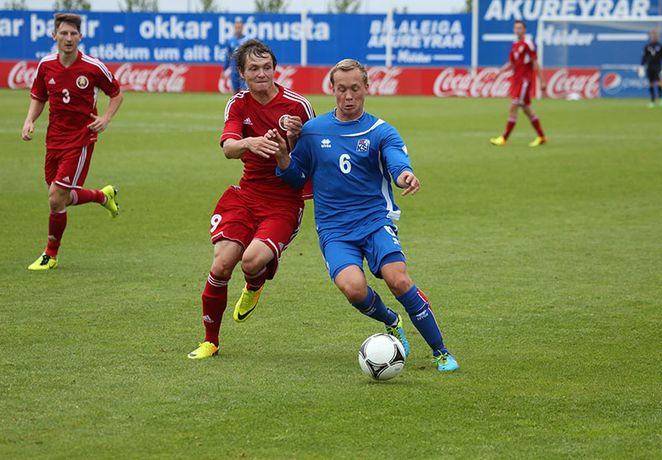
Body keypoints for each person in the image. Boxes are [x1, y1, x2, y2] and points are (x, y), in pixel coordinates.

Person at [273, 59, 459, 372]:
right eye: (341, 89)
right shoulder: (313, 132)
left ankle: (441, 351)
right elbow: (296, 178)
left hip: (374, 221)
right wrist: (283, 157)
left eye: (355, 89)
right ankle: (391, 321)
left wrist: (405, 176)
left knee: (398, 279)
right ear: (332, 89)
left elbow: (396, 160)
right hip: (334, 229)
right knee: (353, 289)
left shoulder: (380, 131)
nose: (348, 96)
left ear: (366, 88)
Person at [188, 39, 315, 359]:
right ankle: (210, 341)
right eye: (254, 68)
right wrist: (251, 143)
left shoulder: (297, 106)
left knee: (252, 261)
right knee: (221, 264)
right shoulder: (238, 104)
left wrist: (295, 138)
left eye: (267, 67)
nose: (261, 73)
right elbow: (229, 147)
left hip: (283, 201)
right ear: (242, 74)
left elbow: (312, 159)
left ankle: (255, 285)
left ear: (275, 69)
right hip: (246, 196)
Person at [22, 12, 122, 271]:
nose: (68, 38)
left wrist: (106, 119)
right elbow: (39, 96)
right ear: (54, 35)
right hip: (54, 139)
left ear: (80, 36)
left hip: (81, 139)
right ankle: (102, 196)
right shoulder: (46, 65)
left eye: (73, 34)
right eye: (63, 33)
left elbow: (116, 93)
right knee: (60, 198)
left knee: (56, 198)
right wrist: (30, 120)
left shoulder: (92, 66)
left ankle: (50, 254)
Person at [490, 20, 547, 148]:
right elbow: (511, 63)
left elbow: (535, 63)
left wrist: (542, 81)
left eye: (520, 28)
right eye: (516, 28)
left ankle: (504, 138)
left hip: (524, 81)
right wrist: (499, 72)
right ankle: (542, 137)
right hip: (517, 80)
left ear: (524, 30)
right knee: (527, 109)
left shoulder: (528, 44)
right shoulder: (515, 44)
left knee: (513, 107)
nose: (518, 30)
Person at [639, 30, 662, 108]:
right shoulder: (647, 46)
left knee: (659, 82)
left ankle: (661, 98)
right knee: (650, 83)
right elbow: (644, 57)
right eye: (652, 35)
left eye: (655, 35)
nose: (654, 37)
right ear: (650, 36)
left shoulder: (661, 46)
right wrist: (641, 67)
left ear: (658, 37)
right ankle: (652, 100)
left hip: (657, 67)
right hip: (649, 67)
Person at [223, 18, 250, 93]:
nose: (238, 29)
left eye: (239, 27)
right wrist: (224, 69)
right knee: (235, 91)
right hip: (234, 69)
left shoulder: (247, 40)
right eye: (237, 27)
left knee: (244, 91)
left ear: (242, 27)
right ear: (234, 28)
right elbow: (228, 56)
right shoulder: (230, 40)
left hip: (244, 69)